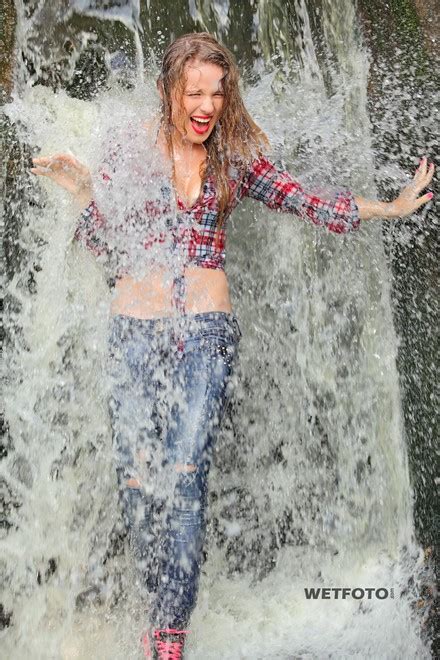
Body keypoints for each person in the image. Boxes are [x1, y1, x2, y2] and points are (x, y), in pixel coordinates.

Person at [30, 32, 434, 660]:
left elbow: (306, 200)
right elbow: (110, 249)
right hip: (135, 333)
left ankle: (169, 636)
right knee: (139, 482)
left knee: (186, 477)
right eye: (194, 91)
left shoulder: (234, 158)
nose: (207, 104)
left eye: (217, 93)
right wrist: (86, 193)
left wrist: (387, 208)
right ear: (168, 91)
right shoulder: (132, 154)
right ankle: (156, 603)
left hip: (206, 338)